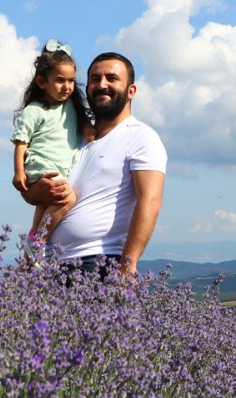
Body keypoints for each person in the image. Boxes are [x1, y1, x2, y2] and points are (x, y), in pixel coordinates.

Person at [23, 52, 166, 276]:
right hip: (50, 265)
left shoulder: (141, 137)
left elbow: (150, 200)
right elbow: (33, 195)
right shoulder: (73, 137)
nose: (102, 85)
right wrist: (35, 191)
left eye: (112, 78)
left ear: (131, 91)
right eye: (95, 78)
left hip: (98, 264)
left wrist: (127, 266)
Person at [12, 41, 94, 246]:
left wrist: (86, 126)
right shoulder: (35, 110)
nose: (67, 86)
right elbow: (21, 143)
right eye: (59, 80)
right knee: (67, 198)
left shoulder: (71, 107)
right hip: (41, 164)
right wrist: (19, 172)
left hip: (58, 166)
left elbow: (78, 122)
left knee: (48, 202)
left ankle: (33, 236)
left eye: (71, 81)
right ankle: (39, 241)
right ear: (41, 82)